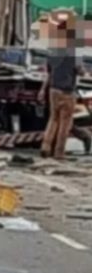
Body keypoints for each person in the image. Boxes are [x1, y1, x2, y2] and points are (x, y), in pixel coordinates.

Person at [39, 10, 84, 160]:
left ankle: (45, 146)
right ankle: (59, 153)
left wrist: (42, 90)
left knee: (53, 119)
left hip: (53, 89)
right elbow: (80, 70)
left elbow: (49, 72)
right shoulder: (74, 50)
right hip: (67, 91)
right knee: (65, 123)